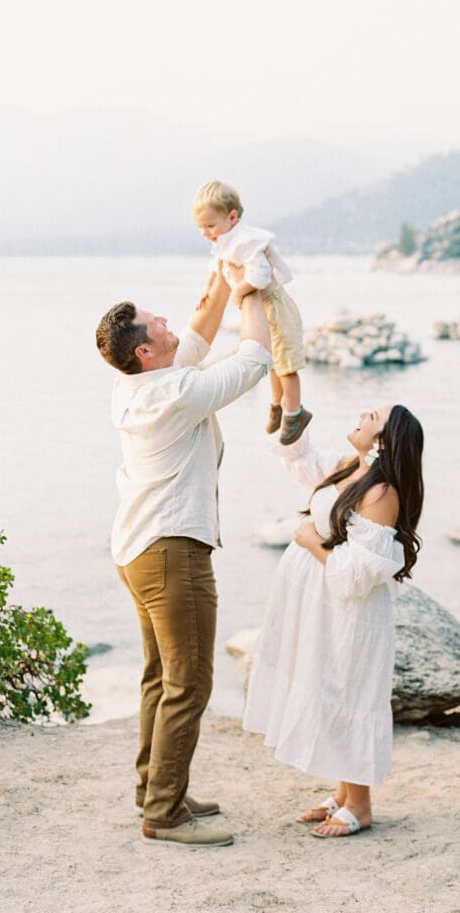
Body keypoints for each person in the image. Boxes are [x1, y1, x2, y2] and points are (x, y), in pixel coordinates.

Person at [95, 265, 272, 848]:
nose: (168, 319)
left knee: (159, 677)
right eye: (156, 322)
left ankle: (156, 787)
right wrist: (253, 292)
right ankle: (164, 814)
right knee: (189, 682)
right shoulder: (175, 393)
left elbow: (196, 328)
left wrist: (224, 271)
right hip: (172, 553)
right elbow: (253, 361)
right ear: (146, 349)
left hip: (138, 550)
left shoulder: (138, 383)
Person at [242, 404, 424, 838]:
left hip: (350, 611)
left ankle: (359, 805)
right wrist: (286, 408)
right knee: (327, 686)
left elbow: (359, 573)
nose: (362, 413)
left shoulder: (382, 494)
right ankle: (343, 795)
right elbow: (301, 462)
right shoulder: (349, 467)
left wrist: (311, 542)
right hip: (321, 602)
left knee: (349, 691)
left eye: (373, 416)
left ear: (382, 440)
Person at [191, 179, 312, 446]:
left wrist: (238, 290)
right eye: (201, 227)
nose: (205, 233)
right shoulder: (225, 240)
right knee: (271, 360)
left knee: (286, 365)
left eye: (210, 226)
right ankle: (277, 405)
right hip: (264, 309)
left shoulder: (246, 242)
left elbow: (260, 274)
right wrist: (206, 289)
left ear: (232, 217)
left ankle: (295, 413)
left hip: (276, 307)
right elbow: (216, 266)